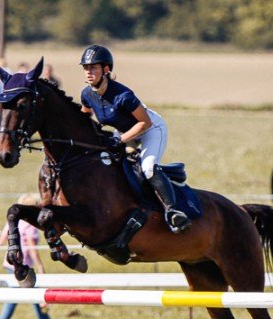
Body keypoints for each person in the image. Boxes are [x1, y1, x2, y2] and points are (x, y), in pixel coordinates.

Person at [79, 44, 190, 234]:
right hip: (125, 131)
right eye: (86, 68)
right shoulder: (87, 94)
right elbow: (85, 118)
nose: (89, 72)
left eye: (93, 67)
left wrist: (119, 140)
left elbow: (144, 123)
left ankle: (173, 211)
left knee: (147, 167)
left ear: (106, 70)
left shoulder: (123, 95)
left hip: (150, 128)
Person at [0, 193, 62, 319]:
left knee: (29, 297)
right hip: (23, 266)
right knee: (21, 298)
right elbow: (32, 250)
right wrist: (40, 267)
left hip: (9, 263)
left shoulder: (13, 222)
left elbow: (1, 240)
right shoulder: (31, 226)